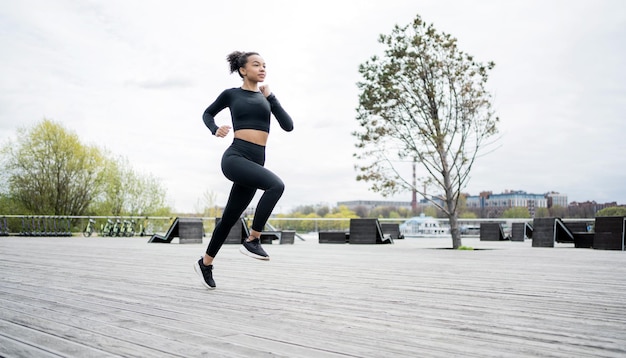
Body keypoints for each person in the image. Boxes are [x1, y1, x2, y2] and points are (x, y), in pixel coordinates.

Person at [194, 51, 294, 289]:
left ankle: (205, 263)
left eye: (264, 65)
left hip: (255, 162)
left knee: (229, 218)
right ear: (243, 70)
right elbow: (207, 113)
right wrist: (214, 128)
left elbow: (288, 126)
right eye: (256, 65)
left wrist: (272, 98)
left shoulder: (266, 98)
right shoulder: (231, 94)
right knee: (276, 185)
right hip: (236, 157)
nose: (262, 69)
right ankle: (254, 238)